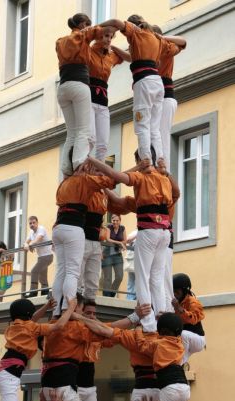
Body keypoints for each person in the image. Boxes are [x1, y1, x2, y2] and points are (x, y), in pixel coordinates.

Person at [87, 155, 177, 331]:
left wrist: (93, 160)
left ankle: (149, 324)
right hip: (165, 234)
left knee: (143, 278)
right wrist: (166, 172)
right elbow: (178, 193)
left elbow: (117, 176)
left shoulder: (142, 178)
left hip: (149, 230)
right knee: (157, 279)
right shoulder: (164, 180)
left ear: (141, 162)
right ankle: (162, 318)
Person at [99, 16, 182, 164]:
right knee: (155, 129)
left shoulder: (137, 33)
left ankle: (146, 161)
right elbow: (182, 44)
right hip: (157, 83)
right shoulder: (157, 40)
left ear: (133, 25)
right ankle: (160, 161)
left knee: (142, 124)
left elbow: (118, 23)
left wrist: (97, 28)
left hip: (144, 82)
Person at [52, 167, 119, 316]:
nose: (101, 175)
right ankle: (67, 310)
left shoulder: (71, 184)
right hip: (80, 237)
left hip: (92, 240)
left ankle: (83, 313)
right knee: (75, 275)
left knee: (90, 279)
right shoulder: (85, 185)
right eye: (99, 172)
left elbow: (117, 202)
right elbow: (114, 180)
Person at [56, 13, 108, 176]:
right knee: (84, 130)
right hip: (79, 85)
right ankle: (79, 164)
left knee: (71, 132)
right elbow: (101, 30)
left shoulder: (60, 41)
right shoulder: (83, 35)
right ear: (82, 24)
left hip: (63, 87)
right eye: (88, 23)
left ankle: (66, 168)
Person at [135, 313, 190, 401]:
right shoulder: (180, 345)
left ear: (161, 330)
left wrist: (137, 330)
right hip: (184, 388)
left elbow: (142, 346)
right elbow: (171, 333)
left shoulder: (158, 344)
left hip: (169, 388)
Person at [152, 25, 186, 171]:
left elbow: (182, 42)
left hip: (165, 94)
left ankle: (163, 169)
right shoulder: (152, 50)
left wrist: (161, 38)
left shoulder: (165, 48)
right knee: (153, 133)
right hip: (157, 94)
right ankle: (156, 165)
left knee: (162, 133)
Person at [88, 29, 123, 161]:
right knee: (90, 138)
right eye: (105, 36)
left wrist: (112, 46)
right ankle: (80, 167)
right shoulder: (88, 52)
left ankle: (98, 171)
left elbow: (130, 57)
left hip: (103, 101)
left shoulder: (111, 56)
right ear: (98, 37)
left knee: (103, 144)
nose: (108, 39)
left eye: (110, 37)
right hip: (89, 100)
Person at [23, 216, 53, 298]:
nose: (32, 225)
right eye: (30, 223)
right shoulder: (31, 232)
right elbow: (26, 242)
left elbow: (39, 238)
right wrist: (26, 244)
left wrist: (31, 244)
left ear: (37, 223)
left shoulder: (41, 229)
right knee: (42, 275)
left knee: (34, 271)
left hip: (47, 256)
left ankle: (33, 292)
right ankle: (45, 292)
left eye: (33, 223)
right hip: (41, 257)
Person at [172, 273, 205, 339]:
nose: (174, 294)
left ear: (184, 291)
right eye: (173, 291)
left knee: (183, 335)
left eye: (177, 292)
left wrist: (179, 309)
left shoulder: (193, 302)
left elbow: (193, 320)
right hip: (182, 335)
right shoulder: (173, 302)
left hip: (197, 336)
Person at [101, 214, 127, 297]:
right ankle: (106, 297)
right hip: (107, 254)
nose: (115, 222)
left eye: (117, 220)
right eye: (113, 220)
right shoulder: (109, 226)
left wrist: (122, 244)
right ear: (111, 221)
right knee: (107, 278)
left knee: (119, 276)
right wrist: (119, 243)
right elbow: (108, 239)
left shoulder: (122, 228)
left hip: (117, 255)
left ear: (120, 221)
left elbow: (125, 240)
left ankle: (111, 295)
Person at [124, 230, 137, 301]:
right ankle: (130, 299)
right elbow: (127, 240)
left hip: (139, 261)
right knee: (131, 281)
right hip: (132, 260)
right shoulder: (135, 232)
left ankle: (135, 298)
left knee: (138, 282)